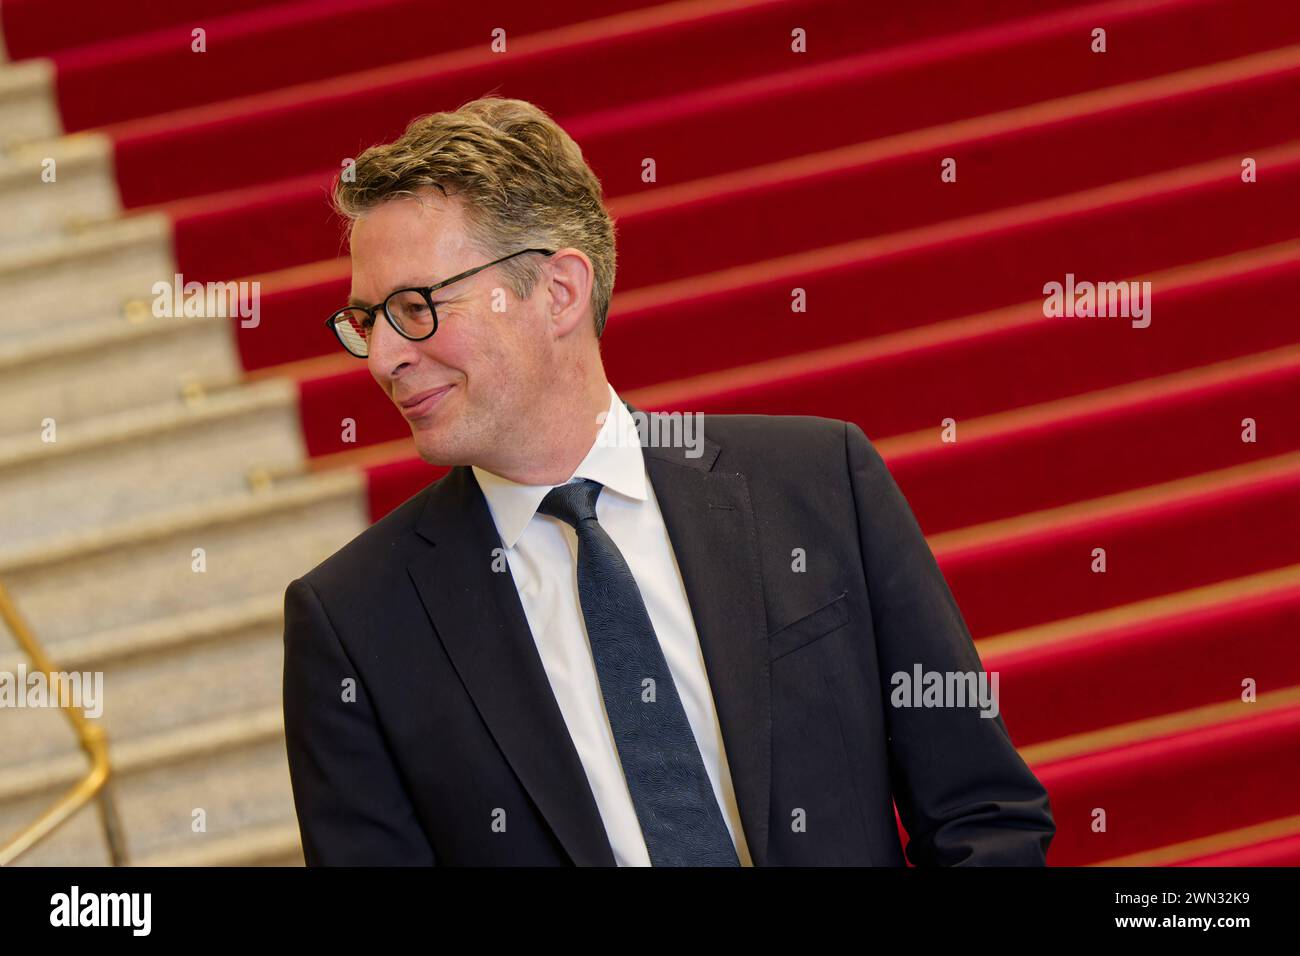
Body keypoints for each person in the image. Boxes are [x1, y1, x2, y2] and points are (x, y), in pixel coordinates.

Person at [282, 95, 1054, 866]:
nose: (383, 358)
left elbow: (986, 814)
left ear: (558, 292)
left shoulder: (821, 485)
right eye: (365, 320)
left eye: (414, 307)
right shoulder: (352, 624)